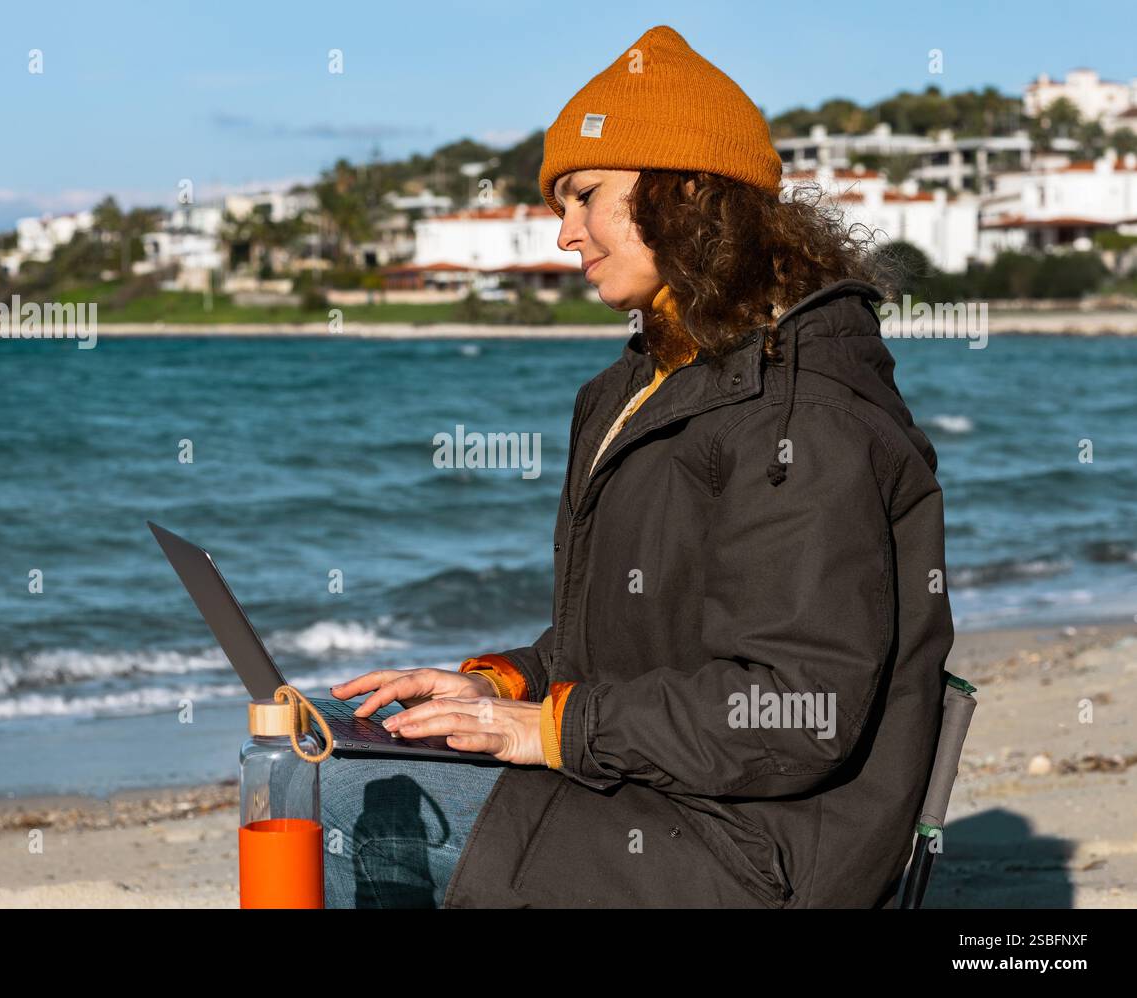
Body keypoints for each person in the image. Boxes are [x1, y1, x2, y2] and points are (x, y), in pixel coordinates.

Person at [321, 23, 953, 908]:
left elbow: (798, 707)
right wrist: (495, 685)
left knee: (332, 816)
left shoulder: (801, 409)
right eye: (559, 208)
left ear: (686, 188)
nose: (566, 237)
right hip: (656, 797)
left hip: (757, 850)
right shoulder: (636, 388)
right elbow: (630, 641)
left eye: (585, 196)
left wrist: (546, 728)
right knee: (328, 760)